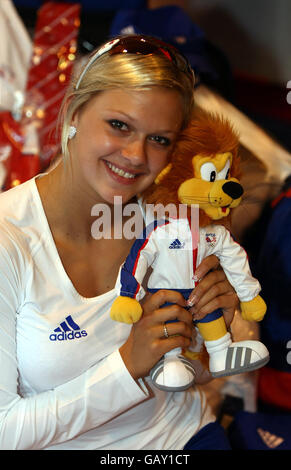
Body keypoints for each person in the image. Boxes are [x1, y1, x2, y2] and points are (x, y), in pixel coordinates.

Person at [0, 34, 238, 450]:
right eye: (120, 126)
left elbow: (191, 372)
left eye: (159, 139)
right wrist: (126, 366)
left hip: (186, 436)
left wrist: (217, 324)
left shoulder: (167, 218)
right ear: (74, 110)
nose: (135, 155)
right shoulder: (9, 239)